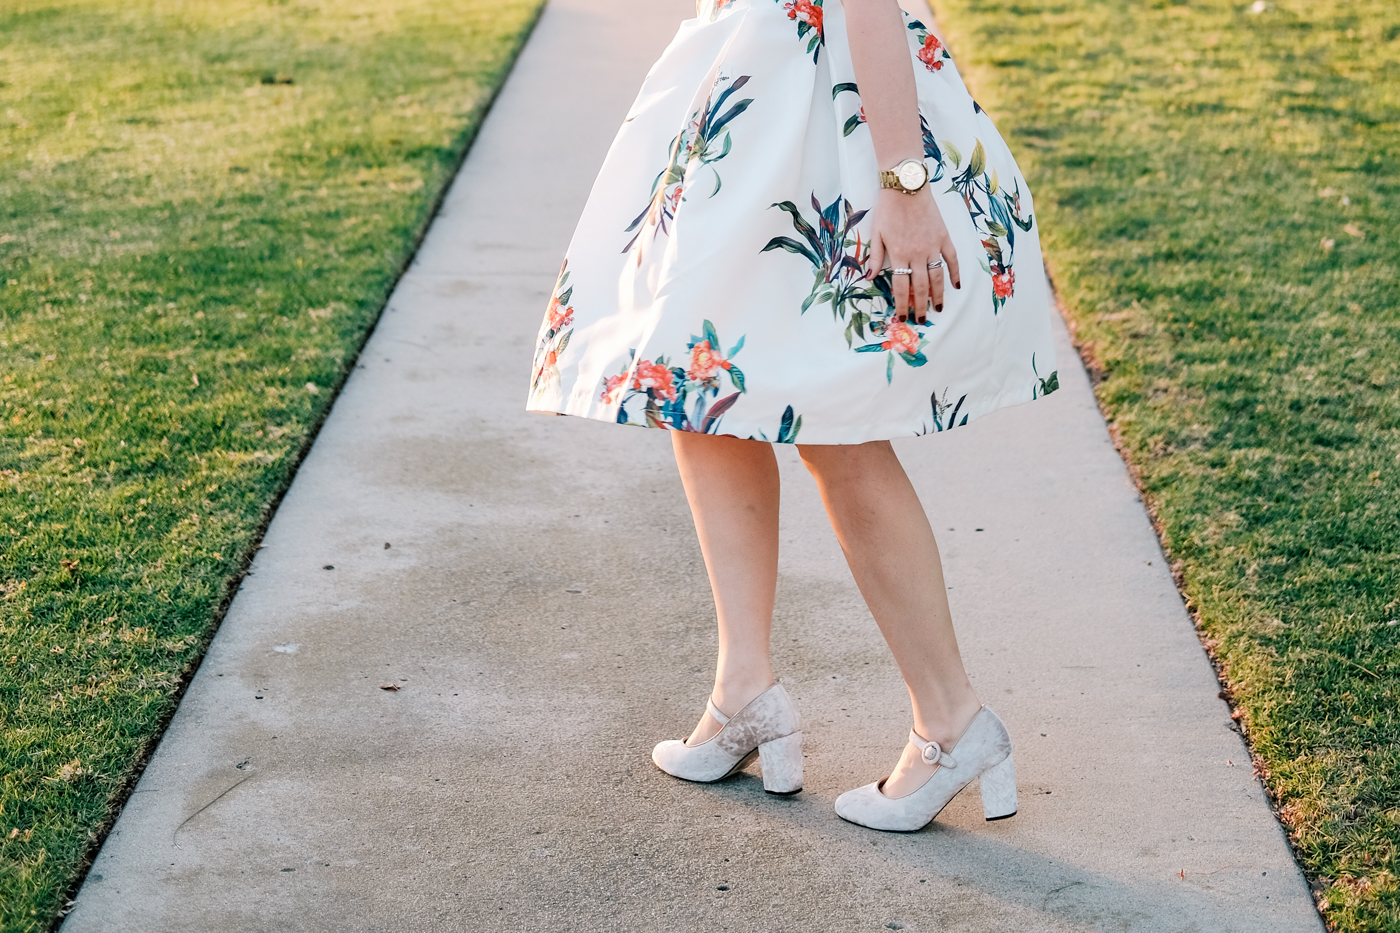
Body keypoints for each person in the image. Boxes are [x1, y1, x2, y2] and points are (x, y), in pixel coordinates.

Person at [526, 0, 1057, 832]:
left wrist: (904, 182)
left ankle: (953, 720)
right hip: (745, 103)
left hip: (819, 112)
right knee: (697, 388)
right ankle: (745, 692)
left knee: (831, 427)